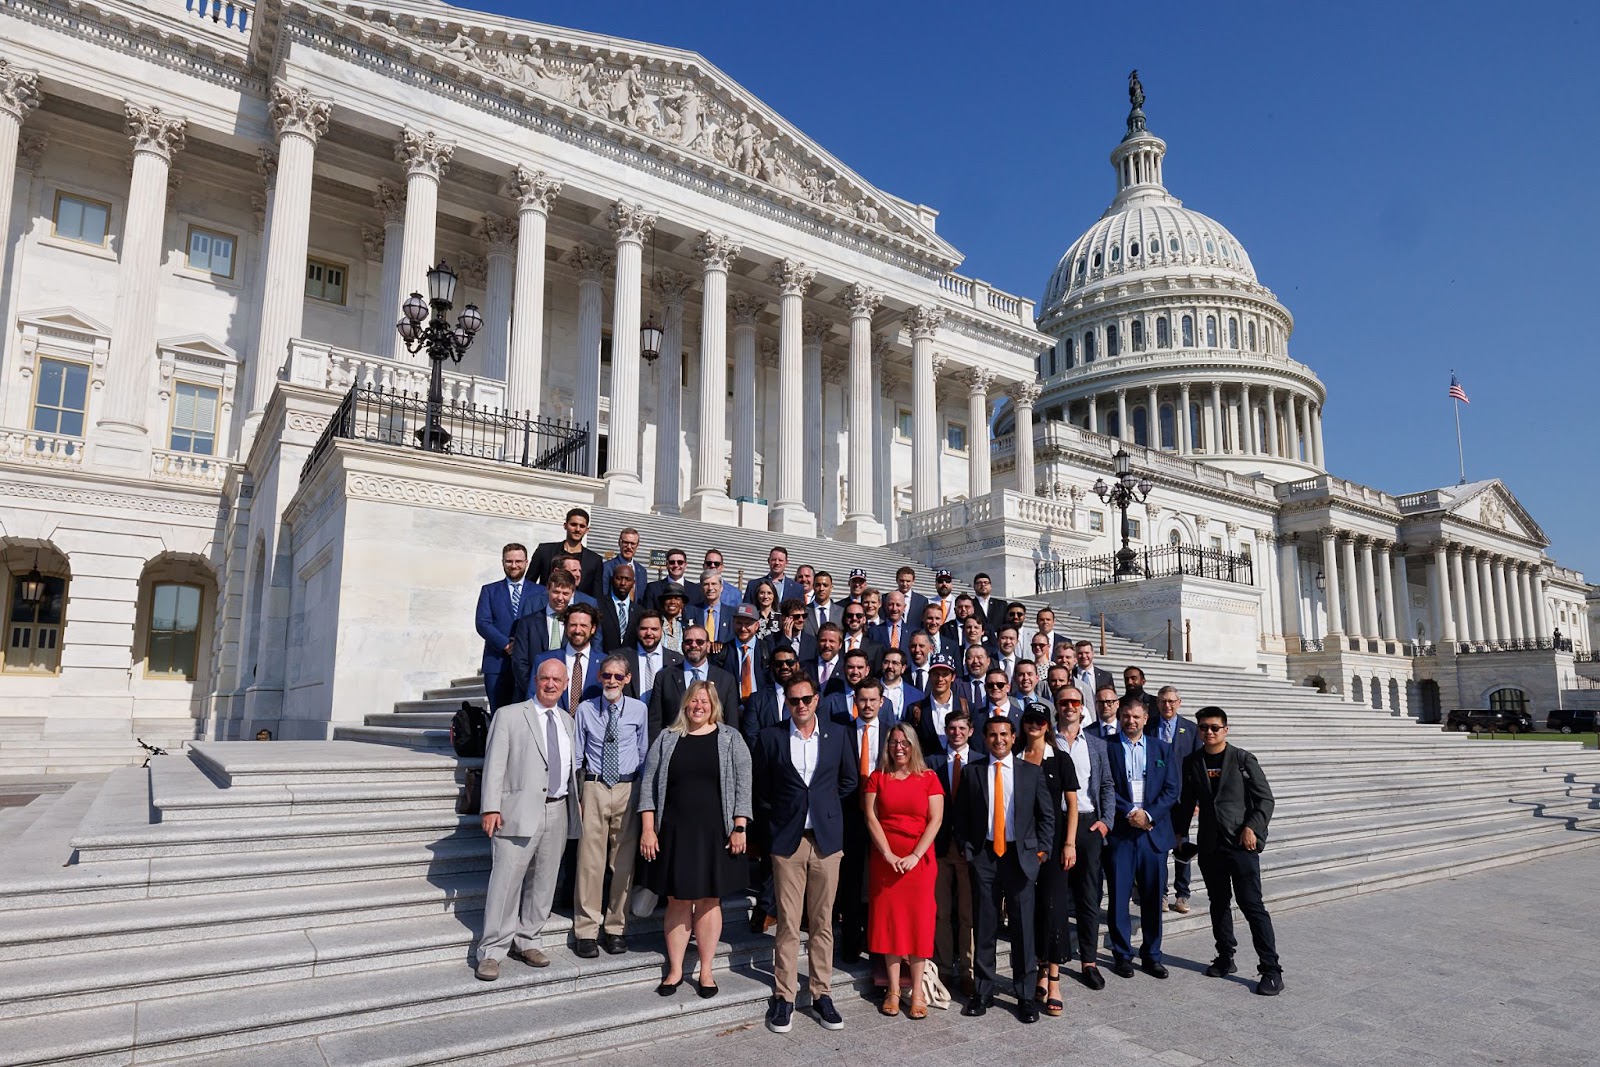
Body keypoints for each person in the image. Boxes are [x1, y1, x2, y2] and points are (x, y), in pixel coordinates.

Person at [753, 675, 858, 1035]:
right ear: (787, 701)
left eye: (806, 699)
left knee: (823, 921)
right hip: (788, 841)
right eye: (794, 699)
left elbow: (848, 781)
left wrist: (824, 808)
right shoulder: (771, 737)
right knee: (787, 922)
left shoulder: (838, 735)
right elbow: (762, 789)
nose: (800, 705)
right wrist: (784, 815)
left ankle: (821, 993)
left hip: (826, 841)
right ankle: (784, 996)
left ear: (817, 700)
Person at [638, 681, 752, 998]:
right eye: (693, 701)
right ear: (685, 704)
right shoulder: (667, 738)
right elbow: (648, 786)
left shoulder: (731, 738)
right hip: (674, 831)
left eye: (704, 701)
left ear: (713, 705)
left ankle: (706, 970)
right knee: (677, 899)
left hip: (716, 833)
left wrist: (740, 826)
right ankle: (675, 969)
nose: (698, 706)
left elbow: (744, 785)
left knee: (709, 899)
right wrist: (648, 828)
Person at [474, 658, 580, 981]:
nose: (551, 684)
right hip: (516, 811)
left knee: (544, 882)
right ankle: (492, 950)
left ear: (565, 685)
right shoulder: (509, 716)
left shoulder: (567, 721)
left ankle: (528, 939)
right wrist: (490, 808)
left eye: (557, 680)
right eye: (545, 678)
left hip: (557, 810)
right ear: (535, 680)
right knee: (506, 882)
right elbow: (494, 765)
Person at [1176, 706, 1283, 996]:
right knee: (1218, 903)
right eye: (1203, 727)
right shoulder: (1192, 762)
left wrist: (1252, 828)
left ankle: (1271, 970)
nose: (1209, 732)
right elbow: (1187, 801)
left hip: (1241, 844)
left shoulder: (1243, 759)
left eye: (1214, 727)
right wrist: (1179, 834)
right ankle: (1225, 957)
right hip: (1211, 845)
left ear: (1226, 729)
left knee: (1252, 905)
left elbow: (1265, 800)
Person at [955, 715, 1054, 1023]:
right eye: (992, 735)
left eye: (1004, 734)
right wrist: (968, 850)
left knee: (1023, 928)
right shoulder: (972, 772)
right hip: (984, 856)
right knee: (985, 925)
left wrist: (1041, 853)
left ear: (1013, 738)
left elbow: (1046, 816)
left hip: (1019, 858)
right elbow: (960, 815)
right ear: (985, 739)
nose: (998, 740)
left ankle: (1025, 994)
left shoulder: (1031, 772)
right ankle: (983, 991)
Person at [864, 722, 944, 1019]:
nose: (899, 747)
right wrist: (887, 854)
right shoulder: (877, 777)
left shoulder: (929, 778)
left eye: (905, 742)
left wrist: (914, 855)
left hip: (919, 864)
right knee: (890, 924)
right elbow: (871, 817)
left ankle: (918, 991)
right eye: (894, 742)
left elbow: (935, 820)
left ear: (913, 746)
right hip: (885, 863)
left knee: (918, 924)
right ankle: (894, 989)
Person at [571, 653, 649, 958]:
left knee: (623, 863)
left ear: (627, 679)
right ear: (599, 677)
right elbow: (577, 755)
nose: (612, 681)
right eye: (607, 675)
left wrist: (641, 794)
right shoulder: (586, 709)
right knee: (589, 862)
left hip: (628, 788)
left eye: (618, 676)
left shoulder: (639, 710)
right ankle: (586, 930)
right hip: (594, 786)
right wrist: (578, 795)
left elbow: (643, 753)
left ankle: (616, 927)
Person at [1104, 696, 1180, 979]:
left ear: (1146, 719)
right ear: (1120, 716)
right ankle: (1122, 954)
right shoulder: (1107, 747)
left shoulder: (1163, 748)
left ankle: (1152, 954)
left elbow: (1172, 789)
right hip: (1121, 833)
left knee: (1152, 898)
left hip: (1152, 834)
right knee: (1119, 897)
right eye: (1126, 716)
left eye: (1136, 716)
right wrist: (1129, 812)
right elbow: (1105, 786)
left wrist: (1148, 815)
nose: (1131, 721)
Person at [1018, 705, 1079, 1017]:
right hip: (1023, 845)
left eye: (1040, 721)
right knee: (1030, 910)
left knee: (1053, 909)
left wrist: (1069, 843)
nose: (1034, 725)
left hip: (1055, 845)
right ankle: (1039, 971)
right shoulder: (1015, 756)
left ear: (1048, 725)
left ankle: (1054, 979)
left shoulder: (1061, 758)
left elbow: (1072, 803)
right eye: (1029, 719)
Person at [1054, 686, 1115, 990]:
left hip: (1088, 825)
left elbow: (1106, 785)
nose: (1069, 706)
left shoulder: (1095, 744)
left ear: (1081, 707)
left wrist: (1106, 822)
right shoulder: (1046, 741)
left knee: (1088, 896)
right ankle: (1053, 958)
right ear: (1056, 706)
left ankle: (1089, 961)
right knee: (1055, 895)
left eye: (1075, 702)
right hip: (1056, 824)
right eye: (1064, 701)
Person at [926, 709, 976, 997]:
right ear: (945, 731)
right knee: (941, 912)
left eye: (962, 728)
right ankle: (944, 966)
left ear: (970, 731)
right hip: (940, 847)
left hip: (969, 850)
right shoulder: (931, 762)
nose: (956, 733)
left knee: (968, 914)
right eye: (952, 728)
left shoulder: (980, 761)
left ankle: (968, 970)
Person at [1147, 685, 1199, 914]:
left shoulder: (1191, 729)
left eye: (1171, 701)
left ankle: (1182, 894)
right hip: (1156, 799)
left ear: (1179, 702)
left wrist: (1197, 800)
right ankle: (1161, 894)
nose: (1167, 705)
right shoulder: (1148, 726)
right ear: (1157, 703)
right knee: (1159, 848)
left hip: (1182, 799)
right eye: (1162, 701)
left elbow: (1197, 767)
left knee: (1182, 847)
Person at [475, 543, 541, 711]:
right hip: (497, 663)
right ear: (502, 562)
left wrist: (520, 646)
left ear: (526, 562)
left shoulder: (540, 592)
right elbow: (482, 623)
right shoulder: (489, 590)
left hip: (528, 664)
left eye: (518, 561)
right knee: (499, 715)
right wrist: (506, 644)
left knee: (527, 714)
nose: (514, 565)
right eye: (509, 561)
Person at [647, 625, 737, 741]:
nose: (694, 645)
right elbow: (654, 722)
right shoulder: (664, 677)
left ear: (708, 645)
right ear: (682, 645)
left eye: (699, 642)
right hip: (674, 745)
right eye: (688, 642)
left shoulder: (726, 679)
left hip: (713, 745)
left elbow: (731, 724)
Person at [509, 569, 578, 698]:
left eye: (565, 593)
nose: (560, 598)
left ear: (573, 593)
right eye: (556, 592)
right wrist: (535, 690)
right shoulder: (527, 623)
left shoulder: (577, 625)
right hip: (533, 694)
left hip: (568, 696)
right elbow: (519, 662)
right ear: (547, 589)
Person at [534, 602, 603, 709]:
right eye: (573, 625)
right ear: (565, 627)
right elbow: (533, 696)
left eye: (583, 625)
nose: (577, 630)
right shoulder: (545, 660)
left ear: (593, 628)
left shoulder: (604, 663)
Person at [530, 507, 604, 599]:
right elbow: (529, 584)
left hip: (579, 606)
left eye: (582, 526)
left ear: (587, 530)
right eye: (573, 524)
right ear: (565, 525)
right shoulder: (544, 551)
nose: (577, 529)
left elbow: (597, 595)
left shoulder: (595, 560)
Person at [716, 604, 769, 723]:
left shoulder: (767, 649)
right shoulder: (723, 652)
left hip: (761, 711)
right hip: (732, 712)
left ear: (757, 625)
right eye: (739, 623)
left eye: (748, 624)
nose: (743, 628)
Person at [622, 610, 681, 708]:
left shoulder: (677, 660)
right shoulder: (621, 657)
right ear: (637, 629)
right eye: (644, 628)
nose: (649, 633)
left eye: (654, 629)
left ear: (662, 630)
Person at [878, 649, 925, 740]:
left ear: (903, 668)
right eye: (886, 662)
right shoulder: (870, 690)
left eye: (895, 663)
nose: (890, 666)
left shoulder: (917, 696)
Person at [596, 560, 641, 653]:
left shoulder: (639, 611)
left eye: (627, 579)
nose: (623, 583)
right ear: (612, 580)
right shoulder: (598, 605)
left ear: (633, 583)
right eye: (619, 578)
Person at [691, 572, 737, 649]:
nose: (710, 588)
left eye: (714, 584)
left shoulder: (732, 613)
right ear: (701, 588)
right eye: (706, 584)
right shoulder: (691, 611)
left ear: (721, 587)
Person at [765, 598, 817, 665]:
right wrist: (786, 640)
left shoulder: (812, 641)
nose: (801, 620)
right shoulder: (771, 640)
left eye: (804, 616)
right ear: (784, 618)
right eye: (796, 616)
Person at [838, 602, 884, 672]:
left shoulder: (876, 648)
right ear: (845, 618)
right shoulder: (836, 643)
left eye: (859, 616)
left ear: (864, 619)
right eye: (850, 615)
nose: (854, 618)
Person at [600, 527, 647, 593]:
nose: (629, 547)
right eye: (626, 542)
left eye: (632, 543)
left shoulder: (642, 571)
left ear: (637, 545)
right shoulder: (606, 567)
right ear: (619, 543)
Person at [872, 591, 914, 656]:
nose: (894, 608)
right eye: (891, 604)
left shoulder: (912, 632)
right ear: (885, 606)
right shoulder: (874, 631)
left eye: (898, 605)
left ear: (904, 607)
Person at [971, 572, 1007, 639]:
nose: (983, 585)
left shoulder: (1001, 605)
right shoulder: (970, 604)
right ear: (974, 587)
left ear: (991, 586)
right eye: (979, 583)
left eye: (986, 582)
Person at [657, 582, 689, 653]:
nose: (672, 602)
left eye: (677, 598)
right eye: (669, 598)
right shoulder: (656, 623)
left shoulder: (687, 625)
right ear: (663, 602)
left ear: (682, 604)